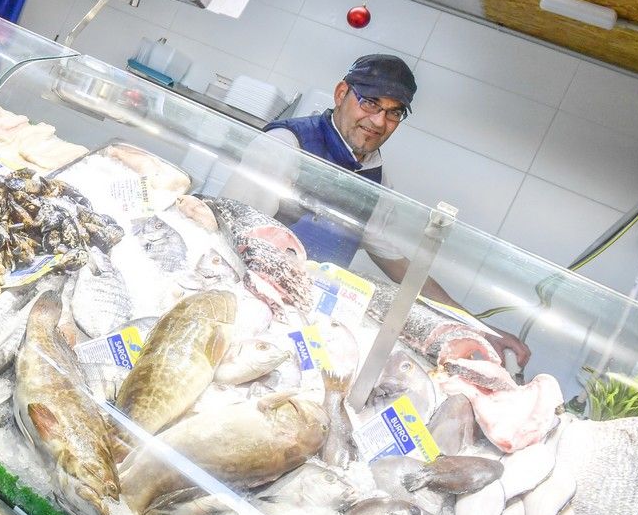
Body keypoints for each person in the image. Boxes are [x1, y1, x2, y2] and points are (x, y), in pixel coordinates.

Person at [222, 54, 531, 367]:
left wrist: (474, 325)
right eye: (370, 103)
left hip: (301, 317)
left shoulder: (376, 178)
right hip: (248, 301)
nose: (380, 122)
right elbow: (230, 232)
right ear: (341, 93)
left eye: (393, 112)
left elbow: (399, 265)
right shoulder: (287, 143)